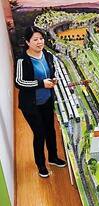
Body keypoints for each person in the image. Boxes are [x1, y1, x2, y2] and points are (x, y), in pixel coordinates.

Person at [15, 26, 66, 178]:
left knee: (50, 130)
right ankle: (41, 165)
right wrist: (41, 83)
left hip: (47, 100)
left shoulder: (47, 55)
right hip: (31, 105)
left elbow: (51, 72)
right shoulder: (22, 60)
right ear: (27, 42)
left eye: (41, 39)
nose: (39, 42)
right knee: (39, 133)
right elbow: (19, 82)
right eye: (35, 39)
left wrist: (53, 79)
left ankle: (53, 157)